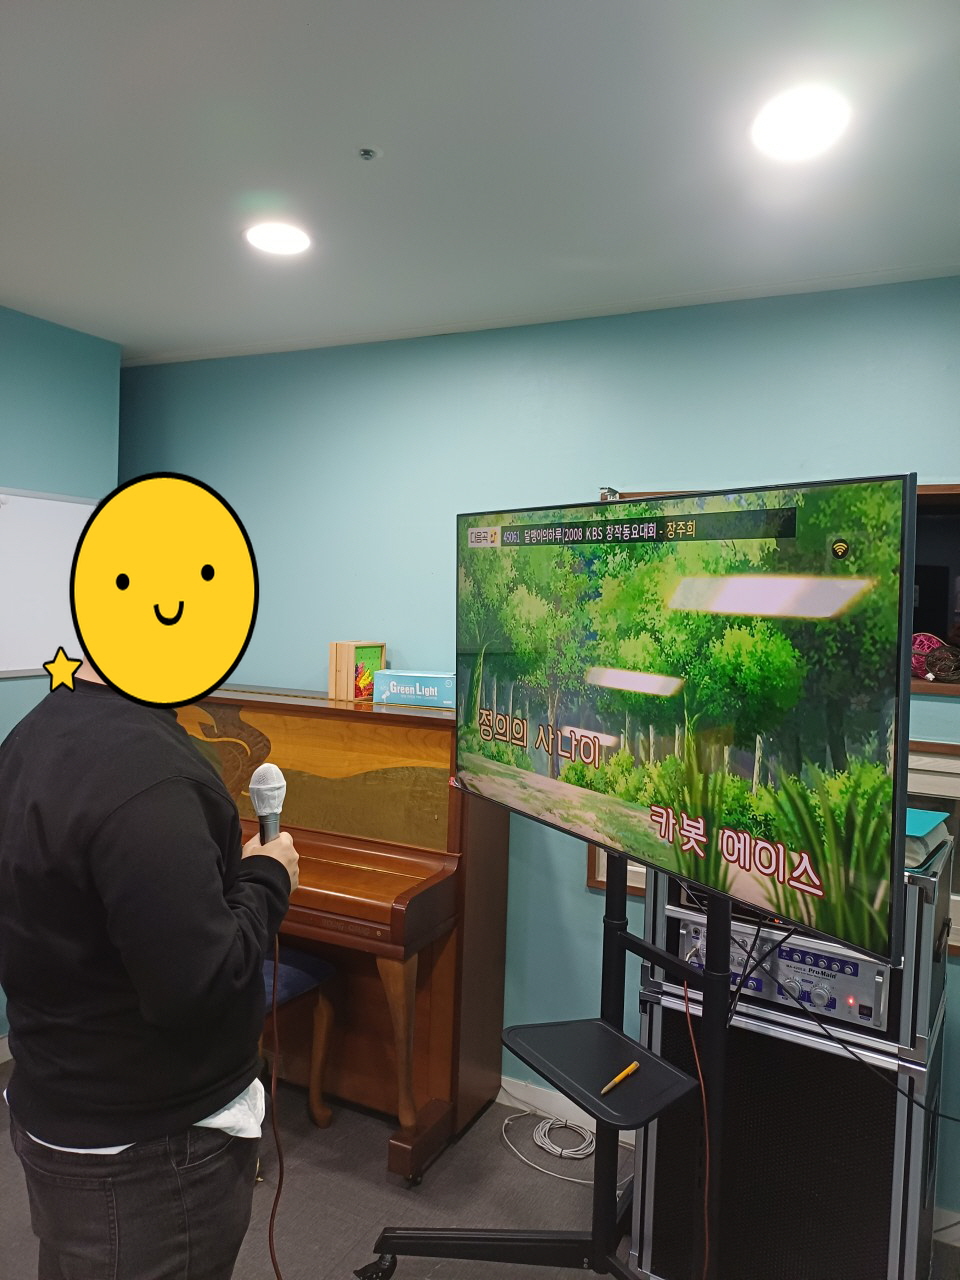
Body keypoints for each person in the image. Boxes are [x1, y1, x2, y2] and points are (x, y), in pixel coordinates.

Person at [0, 660, 300, 1279]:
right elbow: (203, 984)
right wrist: (270, 879)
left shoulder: (32, 733)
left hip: (58, 1107)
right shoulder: (152, 778)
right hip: (152, 1160)